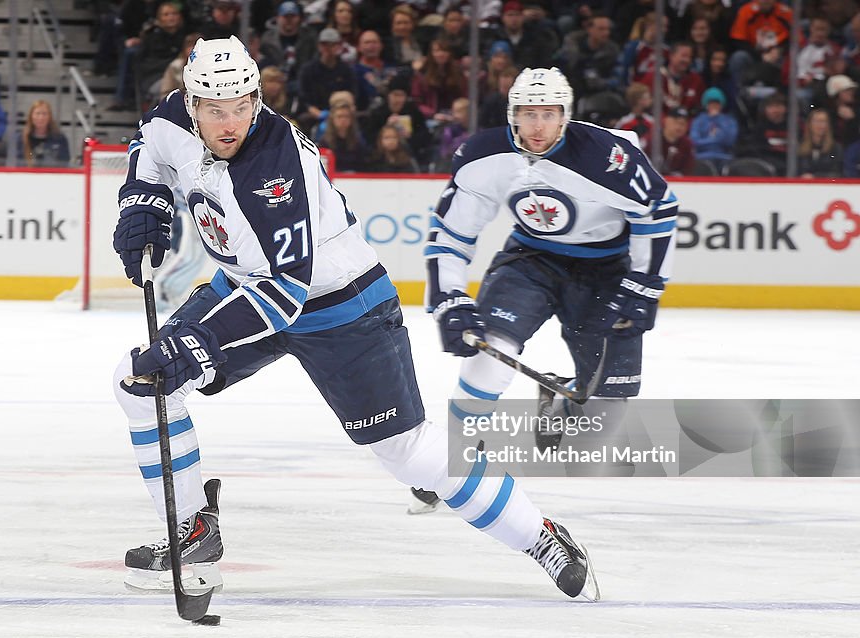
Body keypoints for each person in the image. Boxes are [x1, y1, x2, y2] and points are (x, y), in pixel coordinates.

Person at [109, 36, 600, 603]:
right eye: (216, 110)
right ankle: (194, 529)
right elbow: (148, 146)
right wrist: (142, 200)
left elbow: (284, 293)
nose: (231, 122)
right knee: (142, 385)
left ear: (256, 96)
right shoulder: (174, 116)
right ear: (192, 103)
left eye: (242, 106)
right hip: (244, 283)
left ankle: (539, 535)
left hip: (342, 306)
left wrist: (194, 341)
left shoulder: (275, 168)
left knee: (406, 450)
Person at [421, 67, 677, 496]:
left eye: (549, 113)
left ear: (566, 115)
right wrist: (448, 297)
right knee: (492, 349)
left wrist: (644, 286)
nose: (538, 125)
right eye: (527, 113)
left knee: (606, 415)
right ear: (511, 114)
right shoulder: (483, 156)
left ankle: (560, 405)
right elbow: (450, 234)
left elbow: (657, 210)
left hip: (608, 270)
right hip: (531, 259)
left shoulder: (606, 155)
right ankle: (453, 453)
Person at [17, 99, 70, 167]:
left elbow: (64, 163)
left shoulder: (59, 139)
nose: (41, 117)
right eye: (37, 113)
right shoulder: (21, 138)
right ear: (31, 116)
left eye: (44, 114)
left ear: (49, 117)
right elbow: (17, 163)